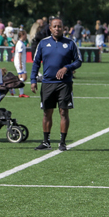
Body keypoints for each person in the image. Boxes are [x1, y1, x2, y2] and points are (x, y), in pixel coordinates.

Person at [30, 18, 83, 151]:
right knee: (47, 113)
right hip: (47, 83)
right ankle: (46, 142)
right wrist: (33, 80)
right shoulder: (43, 43)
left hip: (64, 83)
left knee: (63, 112)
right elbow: (36, 62)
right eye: (55, 26)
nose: (57, 29)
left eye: (60, 26)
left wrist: (67, 68)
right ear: (50, 28)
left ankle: (62, 142)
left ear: (63, 28)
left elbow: (79, 61)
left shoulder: (71, 43)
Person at [14, 30, 29, 98]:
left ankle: (21, 93)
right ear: (22, 35)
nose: (26, 36)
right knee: (24, 77)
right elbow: (19, 54)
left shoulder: (20, 43)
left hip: (19, 62)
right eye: (25, 34)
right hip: (20, 62)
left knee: (20, 77)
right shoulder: (20, 44)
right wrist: (20, 63)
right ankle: (13, 86)